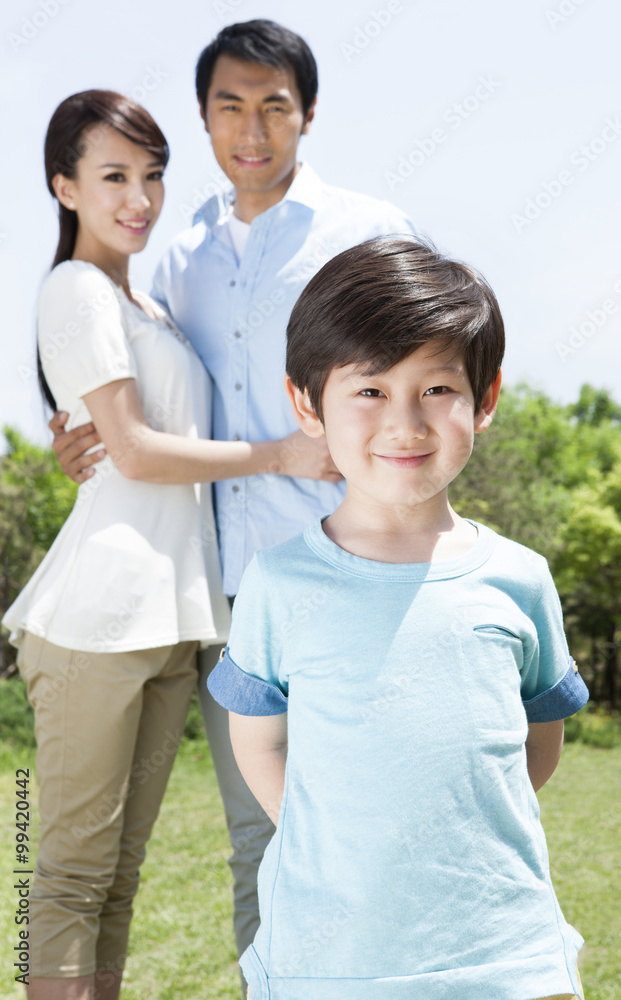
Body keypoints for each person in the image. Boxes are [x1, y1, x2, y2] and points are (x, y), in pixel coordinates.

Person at [48, 19, 417, 987]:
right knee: (261, 840)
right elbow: (145, 400)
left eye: (274, 106)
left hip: (356, 577)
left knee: (369, 829)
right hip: (236, 600)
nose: (251, 129)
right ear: (204, 118)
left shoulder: (368, 232)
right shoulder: (180, 260)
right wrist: (80, 432)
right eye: (228, 106)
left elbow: (436, 375)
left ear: (308, 114)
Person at [2, 88, 341, 1000]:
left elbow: (119, 435)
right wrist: (284, 454)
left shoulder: (139, 302)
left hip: (166, 622)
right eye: (113, 176)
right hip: (92, 625)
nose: (138, 198)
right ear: (62, 186)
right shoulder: (75, 288)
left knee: (118, 882)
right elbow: (139, 452)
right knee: (66, 880)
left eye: (151, 175)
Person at [207, 235, 590, 1000]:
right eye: (370, 391)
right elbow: (259, 746)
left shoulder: (518, 579)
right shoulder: (279, 581)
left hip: (504, 957)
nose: (405, 425)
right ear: (306, 404)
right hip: (329, 961)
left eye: (437, 390)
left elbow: (534, 749)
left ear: (484, 399)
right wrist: (342, 838)